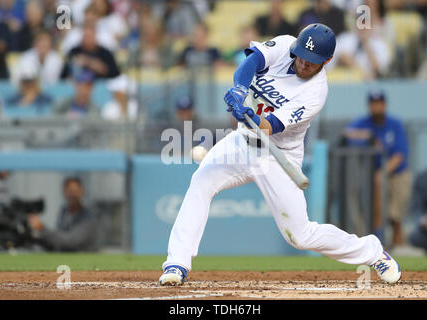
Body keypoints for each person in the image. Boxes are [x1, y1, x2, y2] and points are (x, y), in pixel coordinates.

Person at [159, 23, 401, 286]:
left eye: (312, 62)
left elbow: (270, 127)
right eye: (302, 57)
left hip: (279, 156)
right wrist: (240, 89)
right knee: (201, 181)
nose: (304, 64)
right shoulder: (287, 45)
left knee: (300, 236)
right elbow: (251, 62)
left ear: (327, 61)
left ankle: (373, 251)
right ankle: (177, 263)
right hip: (241, 142)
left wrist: (253, 117)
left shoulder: (315, 93)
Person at [344, 89, 412, 248]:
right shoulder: (364, 123)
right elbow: (347, 134)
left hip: (396, 173)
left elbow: (400, 154)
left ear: (384, 105)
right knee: (363, 188)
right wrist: (368, 136)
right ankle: (375, 235)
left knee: (396, 214)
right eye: (373, 104)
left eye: (379, 103)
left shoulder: (394, 124)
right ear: (369, 105)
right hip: (369, 173)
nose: (376, 107)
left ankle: (393, 235)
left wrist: (383, 172)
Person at [27, 176, 101, 252]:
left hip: (86, 261)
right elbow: (58, 240)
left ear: (82, 191)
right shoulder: (64, 212)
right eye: (70, 191)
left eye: (76, 191)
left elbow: (70, 241)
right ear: (64, 191)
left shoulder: (88, 218)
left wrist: (42, 229)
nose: (73, 194)